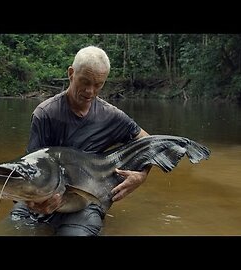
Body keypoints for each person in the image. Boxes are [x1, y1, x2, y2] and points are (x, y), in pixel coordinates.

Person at [9, 45, 151, 236]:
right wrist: (32, 201)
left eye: (98, 85)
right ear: (71, 73)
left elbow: (150, 144)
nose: (90, 91)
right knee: (11, 230)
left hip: (86, 202)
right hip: (44, 198)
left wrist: (141, 176)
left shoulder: (112, 116)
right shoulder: (45, 114)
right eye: (85, 82)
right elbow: (31, 170)